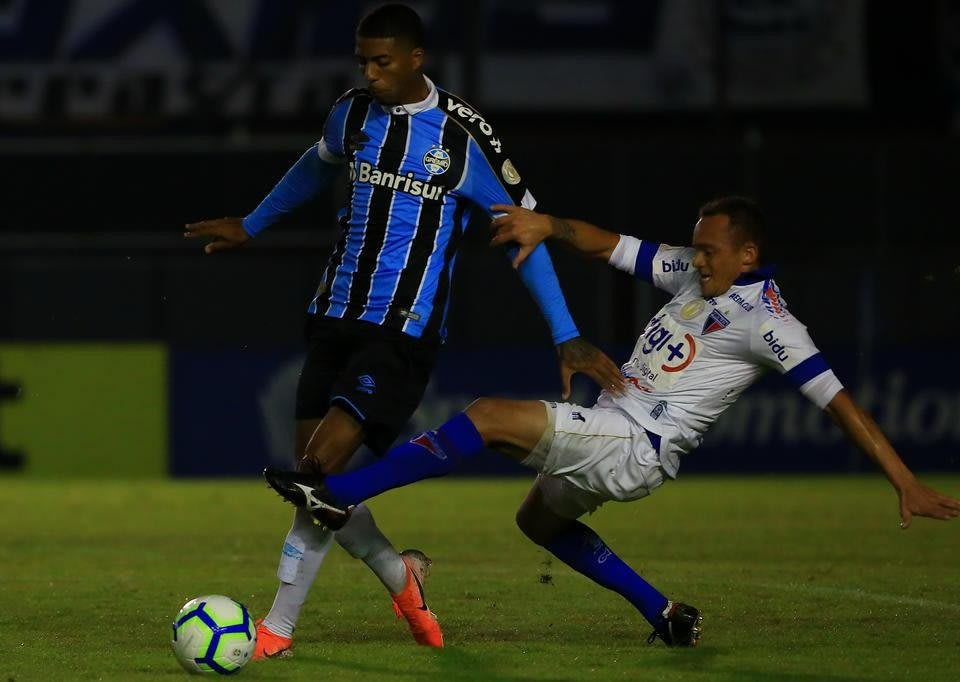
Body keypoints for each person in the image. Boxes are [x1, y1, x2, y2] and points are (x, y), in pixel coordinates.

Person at [264, 196, 960, 647]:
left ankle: (339, 495)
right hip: (616, 428)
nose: (698, 258)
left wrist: (905, 481)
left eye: (711, 250)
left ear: (747, 254)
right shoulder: (696, 274)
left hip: (636, 442)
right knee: (538, 522)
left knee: (485, 416)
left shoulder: (770, 323)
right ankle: (664, 614)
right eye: (696, 247)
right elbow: (612, 245)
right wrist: (549, 226)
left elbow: (840, 401)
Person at [184, 4, 622, 658]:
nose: (370, 73)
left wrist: (565, 333)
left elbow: (523, 236)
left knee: (318, 472)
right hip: (333, 315)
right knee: (319, 486)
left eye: (382, 62)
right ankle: (401, 576)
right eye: (363, 61)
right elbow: (316, 162)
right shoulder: (352, 113)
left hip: (401, 333)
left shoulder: (462, 134)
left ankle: (277, 629)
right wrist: (254, 223)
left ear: (416, 59)